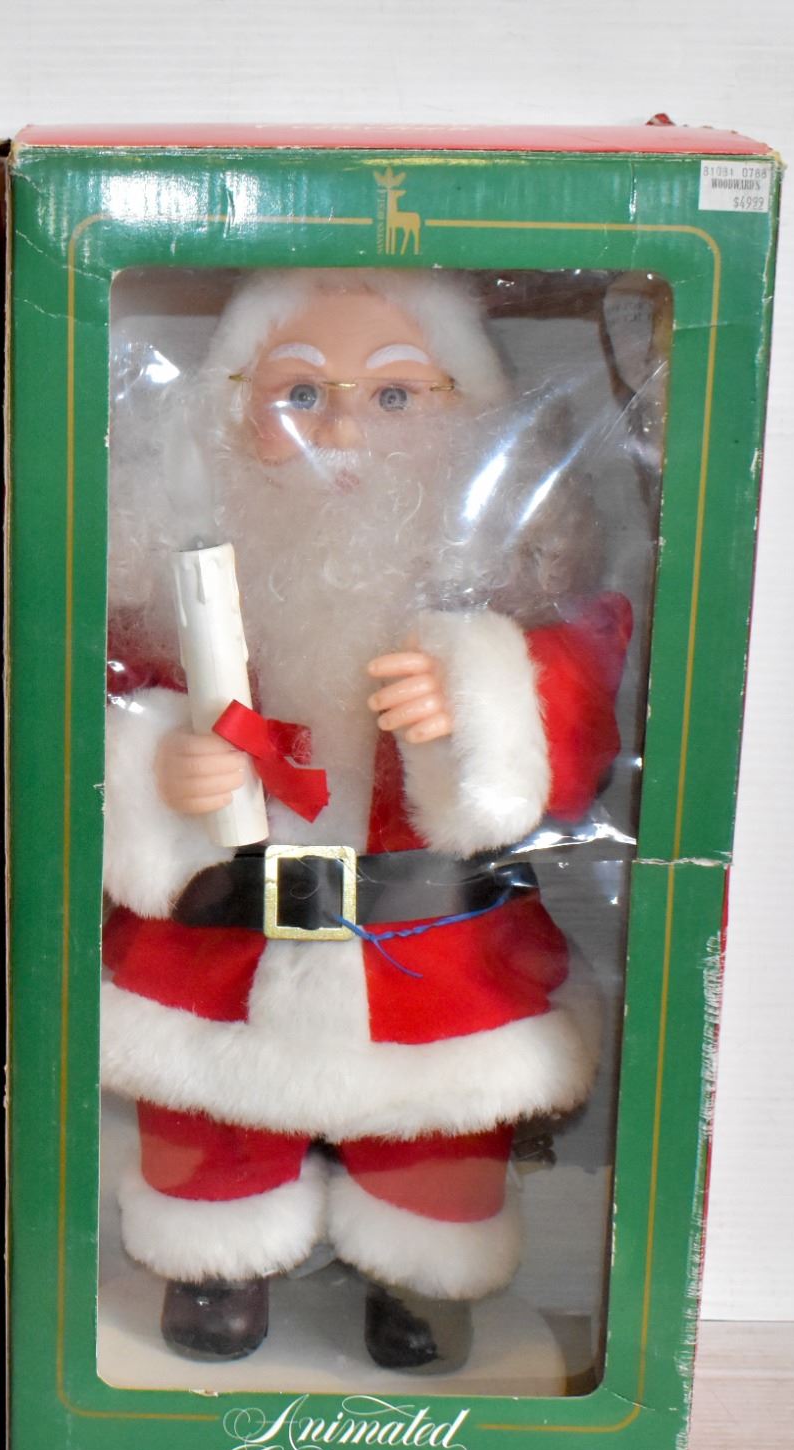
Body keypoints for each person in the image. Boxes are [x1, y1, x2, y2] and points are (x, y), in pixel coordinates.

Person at [101, 268, 632, 1372]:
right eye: (300, 393)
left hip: (428, 943)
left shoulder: (511, 596)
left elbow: (573, 725)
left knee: (438, 1135)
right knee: (208, 1113)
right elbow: (110, 702)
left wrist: (480, 695)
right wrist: (161, 762)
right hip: (225, 943)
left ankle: (418, 1271)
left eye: (394, 395)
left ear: (470, 420)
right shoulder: (185, 589)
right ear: (230, 417)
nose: (340, 428)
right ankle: (216, 1259)